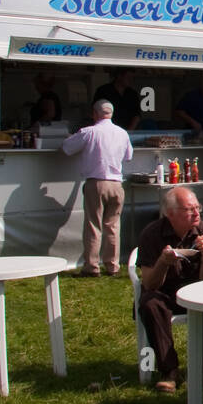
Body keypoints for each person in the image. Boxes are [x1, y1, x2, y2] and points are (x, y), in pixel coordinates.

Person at [135, 187, 203, 394]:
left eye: (197, 207)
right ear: (171, 213)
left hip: (196, 291)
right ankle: (169, 371)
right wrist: (163, 263)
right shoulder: (152, 234)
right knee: (150, 304)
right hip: (165, 293)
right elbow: (149, 283)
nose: (196, 213)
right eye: (189, 209)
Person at [62, 99, 133, 277]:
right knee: (113, 226)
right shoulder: (122, 133)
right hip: (117, 184)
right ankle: (112, 265)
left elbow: (67, 148)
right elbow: (128, 156)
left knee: (94, 226)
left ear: (94, 113)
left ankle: (92, 266)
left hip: (97, 182)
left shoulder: (89, 132)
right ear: (111, 113)